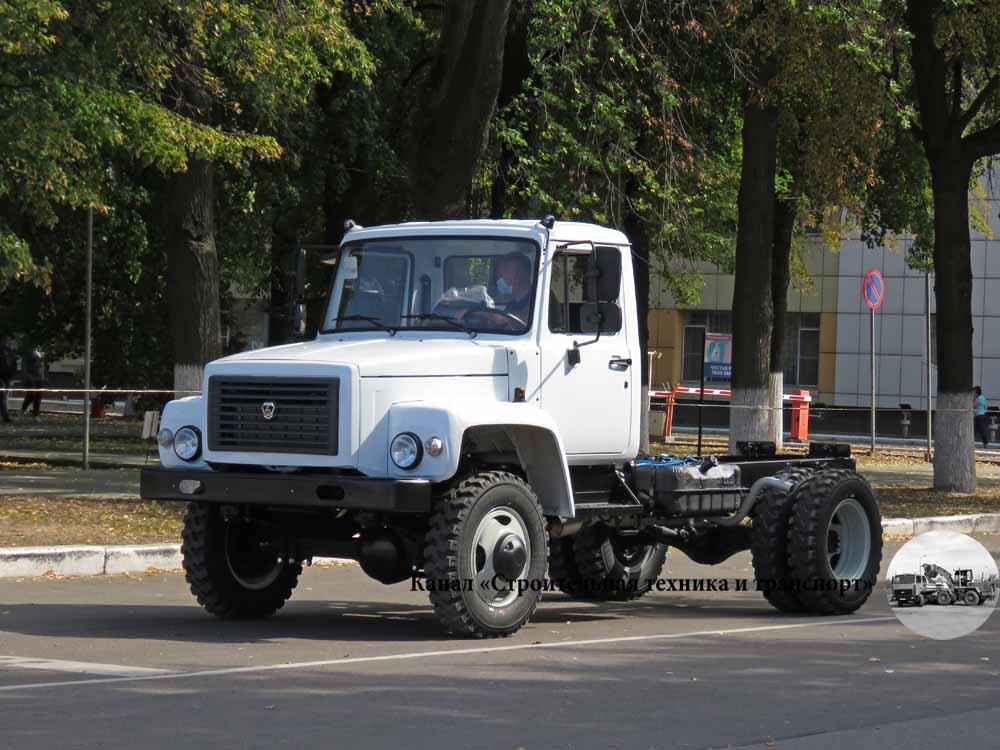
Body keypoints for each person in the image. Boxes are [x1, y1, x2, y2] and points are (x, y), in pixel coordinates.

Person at [493, 252, 534, 324]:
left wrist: (487, 315)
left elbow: (528, 319)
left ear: (517, 276)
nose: (500, 278)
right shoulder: (512, 304)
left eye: (503, 273)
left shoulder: (537, 299)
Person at [20, 346, 44, 419]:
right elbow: (24, 366)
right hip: (31, 378)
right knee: (31, 395)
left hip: (39, 378)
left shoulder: (39, 353)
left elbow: (42, 367)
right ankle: (23, 409)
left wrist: (44, 377)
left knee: (38, 396)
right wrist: (27, 377)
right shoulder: (27, 354)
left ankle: (36, 414)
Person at [0, 337, 17, 423]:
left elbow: (14, 362)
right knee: (3, 396)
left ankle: (5, 416)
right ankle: (5, 416)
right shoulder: (4, 349)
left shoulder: (10, 350)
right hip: (2, 375)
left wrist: (13, 373)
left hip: (7, 376)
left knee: (4, 396)